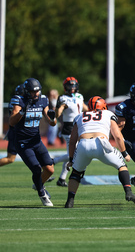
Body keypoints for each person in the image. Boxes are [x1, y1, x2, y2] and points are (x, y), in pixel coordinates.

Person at [64, 96, 135, 208]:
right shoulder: (108, 114)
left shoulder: (79, 116)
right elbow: (117, 136)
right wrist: (124, 153)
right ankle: (128, 192)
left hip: (83, 144)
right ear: (103, 106)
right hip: (101, 143)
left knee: (76, 173)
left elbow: (72, 141)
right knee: (122, 166)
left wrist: (71, 159)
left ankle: (69, 201)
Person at [9, 78, 57, 206]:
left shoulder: (42, 99)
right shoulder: (19, 100)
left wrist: (53, 118)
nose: (36, 94)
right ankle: (42, 193)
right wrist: (22, 111)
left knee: (50, 169)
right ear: (26, 92)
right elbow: (12, 121)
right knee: (36, 169)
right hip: (23, 143)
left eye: (37, 91)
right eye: (32, 92)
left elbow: (51, 122)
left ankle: (38, 184)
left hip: (36, 141)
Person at [53, 77, 88, 187]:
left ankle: (61, 179)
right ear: (65, 87)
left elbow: (85, 108)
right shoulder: (63, 98)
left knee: (71, 154)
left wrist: (96, 111)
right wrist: (59, 108)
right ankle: (52, 161)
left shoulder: (79, 96)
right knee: (72, 154)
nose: (72, 88)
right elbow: (58, 114)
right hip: (69, 128)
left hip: (79, 126)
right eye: (70, 86)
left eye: (73, 86)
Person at [0, 84, 24, 167]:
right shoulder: (18, 102)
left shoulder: (15, 101)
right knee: (10, 158)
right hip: (17, 132)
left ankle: (44, 174)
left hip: (16, 132)